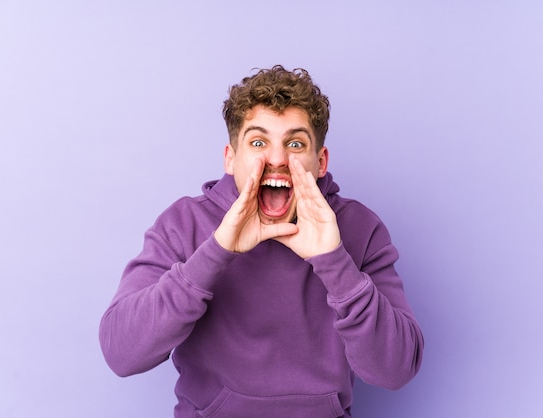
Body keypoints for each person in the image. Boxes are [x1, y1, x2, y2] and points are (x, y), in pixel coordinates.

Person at [99, 65, 424, 418]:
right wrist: (216, 251)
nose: (278, 159)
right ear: (230, 158)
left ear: (321, 162)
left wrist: (334, 262)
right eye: (258, 142)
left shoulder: (361, 229)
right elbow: (122, 354)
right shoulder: (184, 225)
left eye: (295, 143)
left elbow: (396, 370)